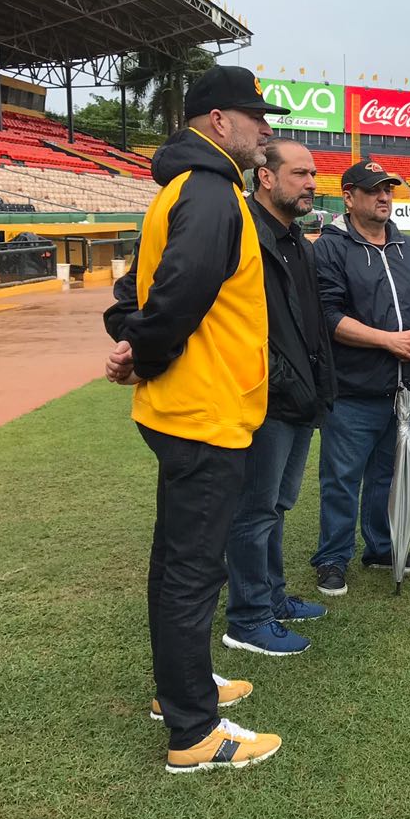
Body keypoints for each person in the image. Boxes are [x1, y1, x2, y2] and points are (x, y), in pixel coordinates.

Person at [103, 65, 287, 773]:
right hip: (202, 410)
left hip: (191, 405)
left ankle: (179, 687)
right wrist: (145, 354)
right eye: (254, 116)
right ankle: (194, 732)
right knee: (191, 571)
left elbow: (134, 293)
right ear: (218, 120)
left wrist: (135, 344)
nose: (264, 128)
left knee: (176, 563)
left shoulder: (188, 188)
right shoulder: (209, 192)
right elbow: (175, 298)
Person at [311, 158, 410, 595]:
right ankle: (332, 558)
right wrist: (389, 341)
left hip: (407, 386)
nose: (384, 197)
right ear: (349, 198)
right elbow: (328, 316)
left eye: (388, 189)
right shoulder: (330, 248)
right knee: (341, 478)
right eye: (373, 190)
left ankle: (382, 547)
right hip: (353, 388)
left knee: (390, 474)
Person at [222, 139, 335, 658]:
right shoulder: (242, 231)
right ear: (265, 178)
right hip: (263, 397)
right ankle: (248, 618)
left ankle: (271, 597)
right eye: (300, 174)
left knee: (277, 505)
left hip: (300, 397)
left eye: (312, 174)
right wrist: (279, 377)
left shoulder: (296, 240)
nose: (311, 183)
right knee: (254, 509)